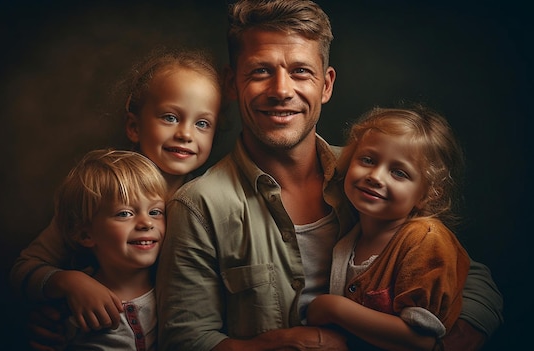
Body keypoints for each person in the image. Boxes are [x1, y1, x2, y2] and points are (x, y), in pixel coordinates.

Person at [155, 1, 503, 350]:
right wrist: (286, 344)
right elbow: (186, 339)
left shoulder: (373, 180)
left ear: (326, 84)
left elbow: (470, 277)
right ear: (232, 83)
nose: (281, 90)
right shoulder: (199, 206)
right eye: (260, 71)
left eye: (300, 72)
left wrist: (448, 342)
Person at [9, 47, 222, 349]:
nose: (186, 134)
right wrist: (69, 284)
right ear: (134, 126)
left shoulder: (207, 203)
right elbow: (25, 268)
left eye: (202, 123)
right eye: (170, 117)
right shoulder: (98, 191)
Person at [306, 106, 470, 350]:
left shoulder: (426, 240)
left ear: (428, 194)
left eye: (399, 173)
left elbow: (421, 341)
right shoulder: (351, 237)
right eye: (368, 160)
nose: (376, 176)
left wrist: (334, 308)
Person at [50, 149, 166, 350]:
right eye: (124, 214)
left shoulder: (171, 289)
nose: (147, 222)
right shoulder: (73, 304)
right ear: (86, 235)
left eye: (155, 211)